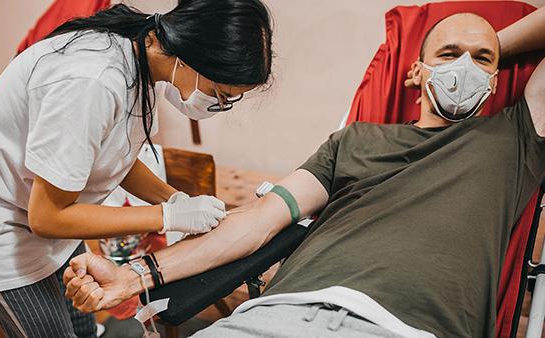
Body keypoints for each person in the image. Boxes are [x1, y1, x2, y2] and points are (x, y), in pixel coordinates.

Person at [63, 6, 545, 338]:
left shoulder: (515, 140)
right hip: (272, 316)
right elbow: (255, 222)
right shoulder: (355, 141)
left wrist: (489, 44)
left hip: (403, 327)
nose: (466, 68)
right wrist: (133, 276)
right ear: (417, 71)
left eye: (483, 61)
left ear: (498, 75)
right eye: (448, 55)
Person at [0, 1, 273, 337]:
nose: (217, 104)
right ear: (193, 58)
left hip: (51, 206)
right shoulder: (92, 82)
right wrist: (168, 216)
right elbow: (46, 218)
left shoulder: (142, 54)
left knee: (83, 327)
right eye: (221, 94)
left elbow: (116, 155)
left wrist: (175, 198)